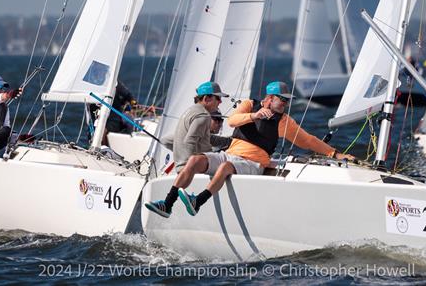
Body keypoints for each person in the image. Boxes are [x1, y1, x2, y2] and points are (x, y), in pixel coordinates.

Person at [146, 81, 355, 218]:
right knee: (195, 161)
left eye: (287, 100)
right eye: (282, 100)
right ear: (269, 98)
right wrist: (254, 116)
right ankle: (167, 204)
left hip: (254, 163)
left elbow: (308, 141)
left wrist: (334, 154)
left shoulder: (284, 121)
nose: (285, 104)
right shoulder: (249, 105)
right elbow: (234, 121)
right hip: (230, 154)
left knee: (226, 166)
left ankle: (198, 201)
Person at [102, 81, 137, 146]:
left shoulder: (116, 84)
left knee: (103, 131)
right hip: (101, 118)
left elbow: (130, 97)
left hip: (114, 119)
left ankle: (105, 149)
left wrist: (134, 106)